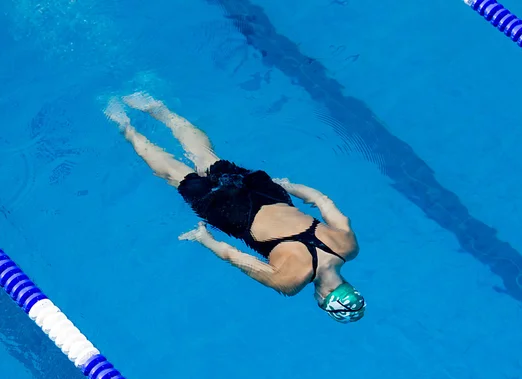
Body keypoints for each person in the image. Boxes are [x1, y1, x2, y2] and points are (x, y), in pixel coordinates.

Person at [104, 93, 365, 323]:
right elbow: (233, 256)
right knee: (175, 173)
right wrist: (204, 239)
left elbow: (323, 201)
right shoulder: (290, 281)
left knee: (206, 157)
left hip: (269, 193)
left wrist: (288, 185)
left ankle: (155, 107)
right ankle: (122, 123)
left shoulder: (348, 246)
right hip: (238, 216)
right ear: (322, 300)